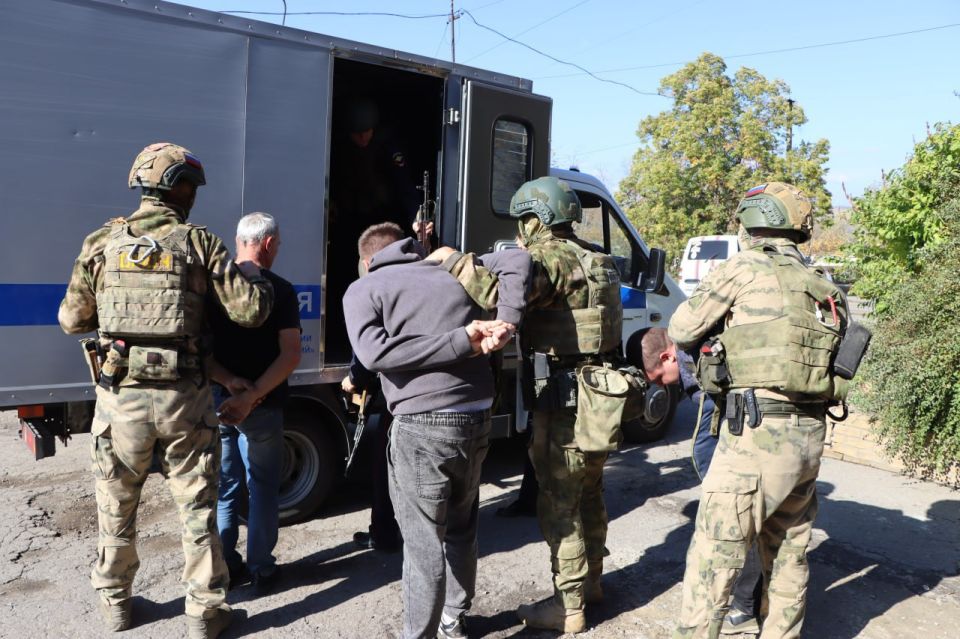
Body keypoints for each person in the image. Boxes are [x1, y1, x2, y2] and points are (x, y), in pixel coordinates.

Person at [57, 142, 274, 638]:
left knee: (116, 507)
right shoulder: (200, 243)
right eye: (192, 187)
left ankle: (116, 606)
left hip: (120, 402)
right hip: (185, 403)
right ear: (182, 189)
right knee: (196, 509)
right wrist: (252, 275)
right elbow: (251, 312)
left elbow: (71, 321)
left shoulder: (101, 242)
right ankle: (205, 615)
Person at [667, 182, 849, 639]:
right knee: (789, 554)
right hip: (809, 434)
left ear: (751, 220)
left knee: (714, 555)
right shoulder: (823, 286)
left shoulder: (744, 267)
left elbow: (682, 328)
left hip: (754, 432)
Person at [447, 176, 625, 633]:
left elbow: (495, 294)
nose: (520, 230)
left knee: (560, 504)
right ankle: (592, 583)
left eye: (522, 220)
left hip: (563, 404)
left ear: (535, 219)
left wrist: (451, 260)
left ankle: (569, 606)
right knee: (590, 493)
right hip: (600, 401)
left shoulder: (549, 260)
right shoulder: (599, 260)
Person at [343, 222, 530, 639]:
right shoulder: (449, 269)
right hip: (477, 417)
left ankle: (421, 634)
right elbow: (518, 259)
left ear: (367, 261)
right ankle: (453, 621)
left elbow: (373, 355)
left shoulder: (364, 288)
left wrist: (462, 340)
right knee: (461, 528)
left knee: (423, 543)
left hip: (422, 425)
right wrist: (506, 322)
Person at [629, 327, 763, 635]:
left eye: (658, 377)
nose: (660, 386)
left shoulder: (700, 366)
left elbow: (712, 436)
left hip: (746, 460)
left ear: (668, 357)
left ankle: (747, 606)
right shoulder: (700, 360)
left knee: (743, 522)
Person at [205, 212, 302, 595]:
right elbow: (290, 355)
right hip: (263, 406)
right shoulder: (281, 290)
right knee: (262, 487)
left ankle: (225, 565)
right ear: (268, 243)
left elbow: (199, 354)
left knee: (225, 487)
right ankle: (262, 568)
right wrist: (253, 395)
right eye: (278, 245)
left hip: (219, 403)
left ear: (239, 241)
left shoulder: (212, 288)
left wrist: (230, 384)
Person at [341, 356, 402, 553]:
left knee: (384, 464)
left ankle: (384, 535)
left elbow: (371, 350)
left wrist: (355, 377)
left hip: (404, 396)